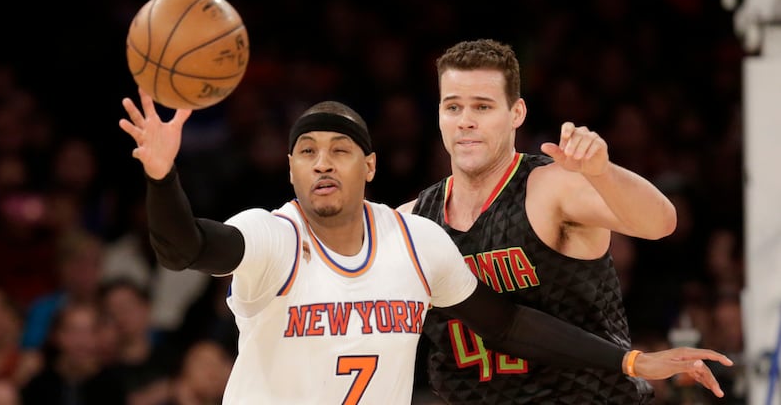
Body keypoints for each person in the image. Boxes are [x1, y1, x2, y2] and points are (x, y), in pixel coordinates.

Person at [118, 89, 732, 404]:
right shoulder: (274, 237)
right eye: (307, 152)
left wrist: (629, 360)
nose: (323, 164)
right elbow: (183, 247)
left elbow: (508, 323)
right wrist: (160, 175)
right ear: (290, 172)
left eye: (340, 151)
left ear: (371, 166)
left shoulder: (415, 240)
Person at [397, 38, 693, 403]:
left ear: (516, 113)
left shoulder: (550, 187)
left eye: (483, 107)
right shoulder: (413, 220)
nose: (466, 122)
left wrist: (603, 173)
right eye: (453, 107)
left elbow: (661, 223)